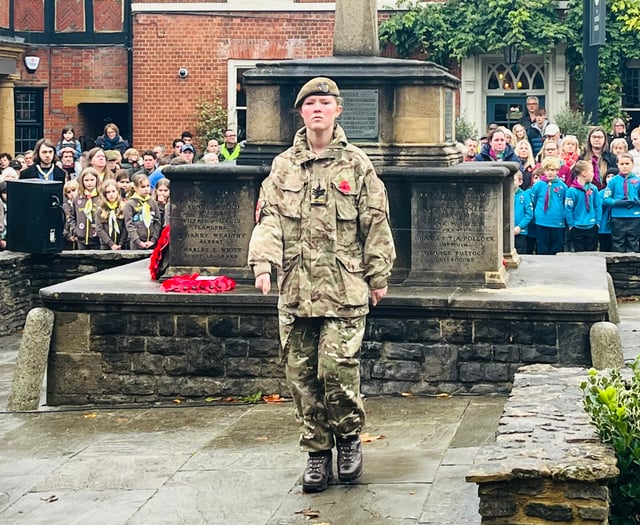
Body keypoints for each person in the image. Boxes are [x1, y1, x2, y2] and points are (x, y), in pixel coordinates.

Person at [247, 77, 396, 494]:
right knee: (301, 375)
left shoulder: (357, 164)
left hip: (344, 289)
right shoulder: (283, 167)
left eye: (324, 103)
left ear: (337, 110)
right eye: (310, 103)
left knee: (337, 370)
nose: (317, 109)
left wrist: (378, 273)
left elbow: (375, 221)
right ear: (301, 113)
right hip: (296, 288)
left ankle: (348, 440)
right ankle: (316, 451)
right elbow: (270, 218)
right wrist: (263, 262)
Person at [603, 152, 640, 252]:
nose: (624, 166)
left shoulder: (638, 180)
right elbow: (606, 198)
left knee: (633, 243)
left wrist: (636, 202)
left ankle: (633, 267)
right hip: (618, 217)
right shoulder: (613, 181)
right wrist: (616, 203)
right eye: (622, 164)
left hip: (634, 217)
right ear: (618, 165)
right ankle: (618, 267)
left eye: (627, 164)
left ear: (632, 164)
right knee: (618, 242)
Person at [530, 156, 567, 255]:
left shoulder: (562, 186)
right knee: (542, 248)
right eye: (547, 170)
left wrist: (563, 217)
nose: (550, 172)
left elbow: (564, 203)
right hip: (541, 221)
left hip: (557, 222)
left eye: (553, 170)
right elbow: (534, 200)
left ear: (557, 171)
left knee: (557, 248)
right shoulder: (538, 185)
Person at [564, 160, 601, 252]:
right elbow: (568, 209)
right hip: (577, 227)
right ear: (584, 173)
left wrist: (598, 222)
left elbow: (598, 206)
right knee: (579, 254)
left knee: (592, 253)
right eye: (591, 171)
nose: (593, 174)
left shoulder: (593, 189)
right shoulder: (571, 191)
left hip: (592, 226)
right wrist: (571, 224)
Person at [124, 172, 161, 249]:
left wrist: (153, 239)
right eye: (143, 187)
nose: (146, 189)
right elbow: (129, 224)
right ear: (135, 188)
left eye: (148, 186)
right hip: (136, 243)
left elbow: (157, 221)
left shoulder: (153, 202)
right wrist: (138, 241)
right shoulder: (130, 204)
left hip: (152, 242)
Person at [68, 167, 101, 249]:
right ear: (82, 181)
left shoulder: (101, 198)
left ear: (97, 180)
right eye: (86, 180)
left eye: (92, 180)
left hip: (97, 238)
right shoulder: (77, 198)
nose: (89, 183)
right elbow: (72, 216)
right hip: (81, 239)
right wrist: (76, 230)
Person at [580, 126, 617, 191]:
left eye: (600, 137)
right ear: (589, 139)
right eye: (594, 137)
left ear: (605, 139)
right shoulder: (582, 158)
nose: (597, 139)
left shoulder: (612, 158)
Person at [95, 179, 127, 250]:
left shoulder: (123, 208)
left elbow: (126, 227)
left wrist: (121, 243)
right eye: (108, 192)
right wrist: (111, 244)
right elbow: (99, 229)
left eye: (113, 191)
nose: (111, 194)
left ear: (118, 192)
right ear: (104, 194)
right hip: (106, 245)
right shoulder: (100, 210)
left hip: (122, 245)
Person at [513, 170, 533, 255]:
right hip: (505, 233)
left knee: (521, 254)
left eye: (514, 180)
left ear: (520, 182)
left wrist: (520, 226)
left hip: (520, 232)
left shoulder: (524, 196)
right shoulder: (502, 194)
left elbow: (529, 214)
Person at [598, 168, 617, 251]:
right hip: (604, 228)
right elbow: (598, 206)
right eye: (608, 176)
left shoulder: (620, 192)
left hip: (617, 228)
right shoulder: (601, 193)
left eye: (613, 176)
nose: (610, 178)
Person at [62, 179, 80, 250]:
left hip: (81, 239)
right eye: (69, 192)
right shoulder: (64, 207)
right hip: (67, 241)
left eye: (73, 190)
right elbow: (59, 224)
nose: (71, 193)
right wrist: (67, 235)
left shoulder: (83, 204)